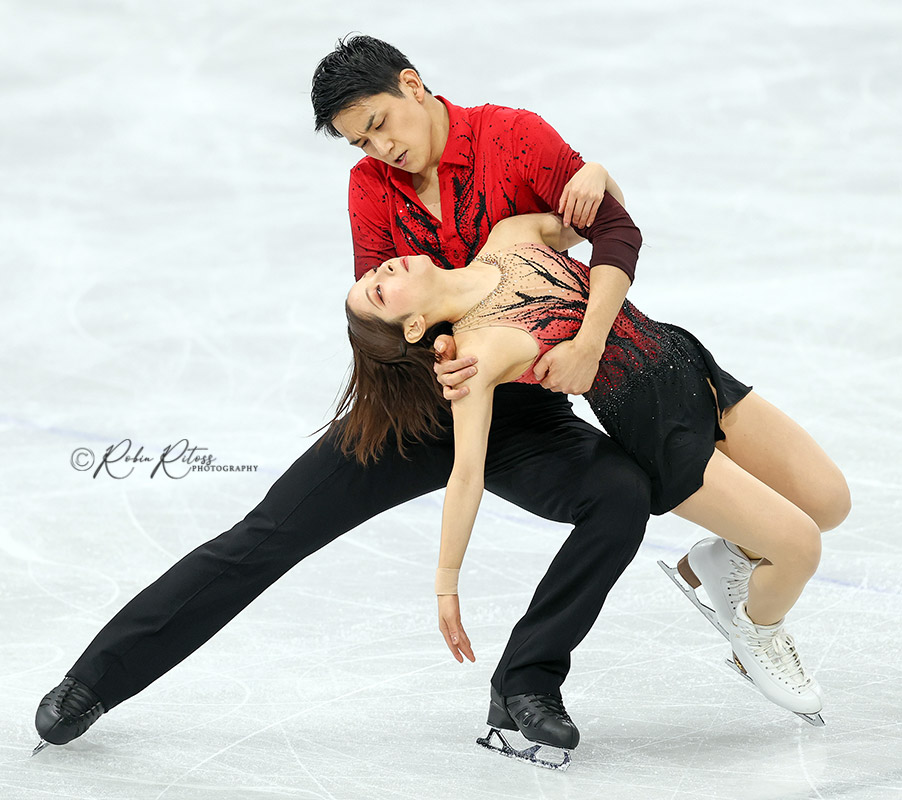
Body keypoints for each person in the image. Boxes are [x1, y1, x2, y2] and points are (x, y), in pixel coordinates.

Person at [35, 35, 651, 757]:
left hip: (521, 406)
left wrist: (596, 199)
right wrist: (439, 352)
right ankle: (94, 680)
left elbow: (606, 227)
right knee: (266, 536)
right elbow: (381, 311)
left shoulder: (510, 137)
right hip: (414, 408)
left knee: (621, 495)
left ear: (412, 85)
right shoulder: (370, 187)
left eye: (381, 124)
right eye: (362, 140)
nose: (381, 148)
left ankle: (527, 683)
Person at [341, 202, 851, 726]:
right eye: (378, 291)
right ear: (414, 327)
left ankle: (722, 562)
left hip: (692, 368)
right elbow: (467, 472)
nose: (383, 269)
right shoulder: (477, 354)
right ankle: (756, 632)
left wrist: (600, 176)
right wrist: (446, 582)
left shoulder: (510, 234)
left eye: (374, 272)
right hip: (659, 434)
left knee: (829, 504)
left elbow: (609, 224)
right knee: (800, 548)